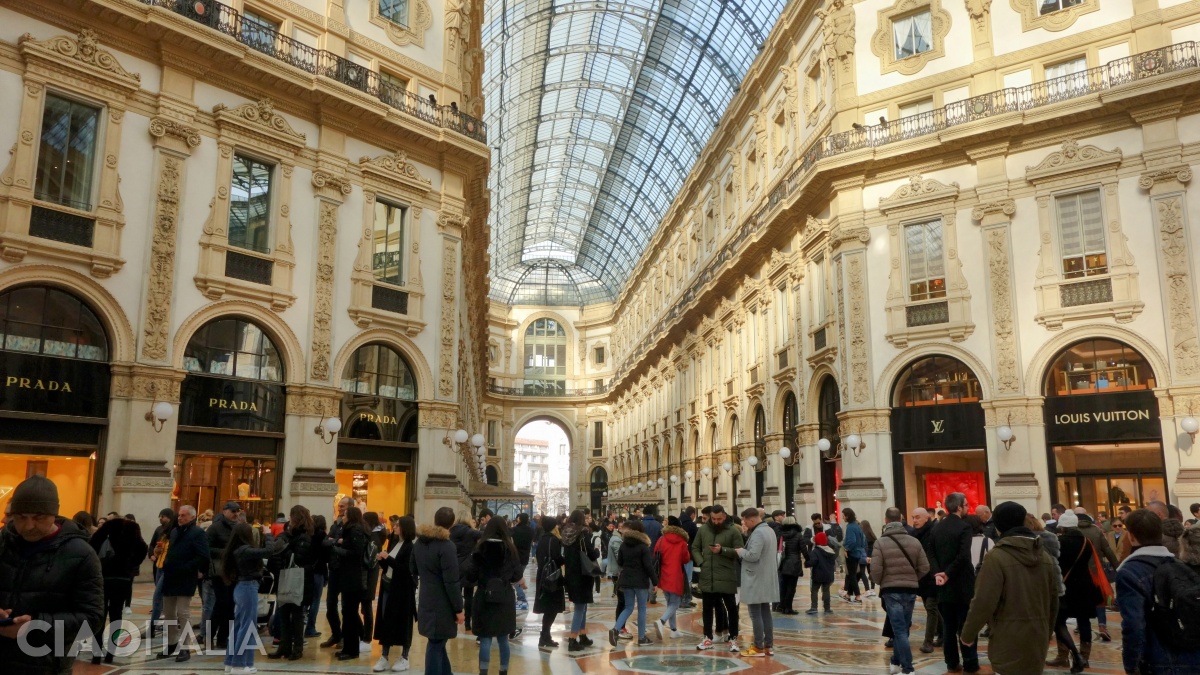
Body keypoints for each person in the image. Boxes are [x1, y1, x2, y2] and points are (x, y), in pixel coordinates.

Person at [0, 475, 104, 674]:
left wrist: (36, 626)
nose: (29, 526)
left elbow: (92, 618)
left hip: (46, 665)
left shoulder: (81, 554)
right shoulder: (2, 544)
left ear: (53, 515)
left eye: (39, 518)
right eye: (22, 517)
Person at [960, 501, 1060, 675]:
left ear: (998, 526)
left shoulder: (997, 557)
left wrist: (968, 634)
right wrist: (1047, 629)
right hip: (1038, 638)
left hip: (1007, 637)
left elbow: (983, 601)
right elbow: (1054, 600)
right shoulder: (1045, 557)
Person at [1116, 509, 1200, 674]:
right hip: (1191, 653)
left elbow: (1134, 624)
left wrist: (1131, 665)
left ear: (1131, 536)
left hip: (1158, 659)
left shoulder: (1130, 571)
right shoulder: (1178, 564)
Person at [869, 507, 930, 675]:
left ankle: (908, 668)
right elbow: (925, 567)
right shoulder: (914, 541)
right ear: (902, 519)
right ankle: (896, 662)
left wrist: (882, 581)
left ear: (886, 520)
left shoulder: (880, 542)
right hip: (910, 590)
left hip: (891, 590)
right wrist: (912, 578)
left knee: (900, 630)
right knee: (902, 628)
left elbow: (875, 570)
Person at [462, 518, 524, 675]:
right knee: (503, 639)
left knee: (485, 638)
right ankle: (503, 671)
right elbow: (517, 574)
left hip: (484, 596)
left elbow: (470, 574)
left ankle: (483, 672)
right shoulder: (510, 548)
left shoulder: (480, 548)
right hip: (504, 596)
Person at [88, 513, 147, 664]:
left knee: (100, 614)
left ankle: (96, 653)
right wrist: (131, 565)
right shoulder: (133, 528)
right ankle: (111, 652)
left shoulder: (107, 527)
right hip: (122, 578)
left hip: (103, 576)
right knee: (116, 614)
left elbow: (92, 545)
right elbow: (143, 548)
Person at [928, 492, 977, 673]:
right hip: (962, 583)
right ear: (958, 507)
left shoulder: (936, 528)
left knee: (948, 626)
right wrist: (947, 573)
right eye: (965, 504)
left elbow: (930, 554)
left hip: (943, 584)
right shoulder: (964, 527)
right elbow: (964, 556)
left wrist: (938, 574)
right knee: (966, 625)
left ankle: (951, 662)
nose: (967, 507)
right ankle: (970, 662)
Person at [411, 507, 463, 675]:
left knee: (438, 641)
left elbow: (413, 567)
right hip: (443, 603)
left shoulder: (420, 542)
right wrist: (458, 608)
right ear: (452, 523)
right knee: (436, 644)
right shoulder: (447, 546)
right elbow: (452, 581)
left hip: (426, 597)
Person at [1053, 511, 1105, 670]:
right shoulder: (1086, 542)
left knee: (1060, 620)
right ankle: (1084, 656)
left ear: (1063, 526)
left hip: (1065, 585)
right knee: (1084, 621)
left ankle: (1062, 656)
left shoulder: (1059, 542)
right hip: (1084, 585)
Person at [160, 504, 210, 661]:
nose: (180, 517)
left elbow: (203, 555)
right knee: (168, 612)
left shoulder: (198, 533)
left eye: (183, 515)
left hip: (186, 577)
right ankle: (171, 642)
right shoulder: (174, 531)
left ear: (192, 517)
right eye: (179, 515)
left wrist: (189, 567)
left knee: (183, 612)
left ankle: (186, 647)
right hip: (170, 576)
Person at [691, 504, 744, 652]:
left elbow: (740, 551)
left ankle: (733, 638)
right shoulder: (703, 529)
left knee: (731, 608)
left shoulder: (733, 530)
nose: (715, 522)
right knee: (707, 608)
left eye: (718, 519)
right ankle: (707, 637)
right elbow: (695, 547)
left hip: (726, 575)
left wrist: (723, 550)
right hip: (708, 575)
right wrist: (702, 562)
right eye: (713, 519)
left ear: (724, 516)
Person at [221, 522, 271, 674]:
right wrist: (268, 534)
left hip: (241, 587)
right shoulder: (245, 550)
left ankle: (231, 663)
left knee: (239, 626)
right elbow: (269, 551)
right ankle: (240, 665)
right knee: (247, 626)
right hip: (248, 588)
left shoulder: (236, 549)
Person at [269, 505, 315, 661]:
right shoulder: (289, 533)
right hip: (286, 576)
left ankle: (297, 648)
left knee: (296, 616)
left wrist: (285, 550)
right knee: (283, 614)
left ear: (296, 517)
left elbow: (300, 558)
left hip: (298, 579)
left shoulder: (305, 536)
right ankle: (284, 646)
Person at [374, 515, 416, 672]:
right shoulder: (394, 543)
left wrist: (388, 559)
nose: (395, 527)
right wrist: (382, 560)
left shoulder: (410, 547)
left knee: (402, 622)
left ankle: (404, 656)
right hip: (388, 586)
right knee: (386, 620)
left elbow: (406, 570)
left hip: (402, 590)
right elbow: (389, 567)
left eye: (398, 525)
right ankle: (384, 656)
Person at [735, 507, 779, 658]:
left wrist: (740, 551)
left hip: (756, 578)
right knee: (766, 612)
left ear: (752, 519)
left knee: (755, 614)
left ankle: (758, 647)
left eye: (745, 521)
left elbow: (753, 555)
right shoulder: (769, 530)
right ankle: (769, 645)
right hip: (766, 577)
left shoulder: (759, 533)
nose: (744, 524)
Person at [608, 519, 657, 647]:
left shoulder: (624, 544)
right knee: (642, 609)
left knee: (628, 607)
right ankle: (641, 638)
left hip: (626, 580)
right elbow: (648, 566)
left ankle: (615, 629)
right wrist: (655, 581)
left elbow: (620, 562)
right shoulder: (643, 546)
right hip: (640, 581)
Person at [331, 506, 370, 661]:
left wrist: (337, 550)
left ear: (351, 516)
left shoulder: (355, 531)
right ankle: (348, 647)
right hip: (350, 576)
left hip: (353, 577)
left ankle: (352, 649)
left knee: (350, 614)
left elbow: (355, 553)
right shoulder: (353, 529)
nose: (343, 516)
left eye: (345, 514)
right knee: (348, 613)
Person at [1075, 508, 1118, 642]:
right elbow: (1107, 550)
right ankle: (1102, 626)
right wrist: (1118, 566)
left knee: (1080, 599)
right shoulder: (1096, 530)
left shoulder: (1073, 531)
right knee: (1099, 599)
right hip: (1096, 571)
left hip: (1078, 572)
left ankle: (1081, 625)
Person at [561, 509, 600, 651]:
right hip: (583, 573)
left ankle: (582, 635)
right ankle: (572, 638)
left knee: (582, 605)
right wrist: (597, 551)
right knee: (579, 607)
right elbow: (590, 553)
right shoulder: (582, 534)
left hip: (571, 573)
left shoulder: (566, 533)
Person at [205, 501, 239, 649]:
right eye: (233, 511)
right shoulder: (215, 528)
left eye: (237, 511)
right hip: (219, 572)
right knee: (221, 604)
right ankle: (209, 637)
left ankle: (223, 638)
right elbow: (207, 548)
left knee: (230, 605)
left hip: (233, 572)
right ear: (225, 511)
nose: (235, 514)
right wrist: (224, 553)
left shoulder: (238, 527)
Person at [320, 497, 353, 650]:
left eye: (343, 506)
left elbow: (348, 545)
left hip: (346, 571)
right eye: (339, 506)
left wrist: (336, 541)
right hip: (334, 568)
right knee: (330, 604)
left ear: (350, 508)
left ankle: (347, 637)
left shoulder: (353, 526)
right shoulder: (336, 524)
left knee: (347, 607)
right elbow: (326, 542)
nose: (339, 508)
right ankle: (336, 634)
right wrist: (336, 541)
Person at [909, 507, 941, 653]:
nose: (914, 521)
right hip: (922, 577)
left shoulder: (934, 532)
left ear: (926, 518)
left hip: (933, 575)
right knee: (933, 608)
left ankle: (928, 642)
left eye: (917, 517)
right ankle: (943, 633)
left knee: (931, 607)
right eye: (913, 518)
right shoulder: (915, 534)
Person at [652, 520, 691, 639]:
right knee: (675, 603)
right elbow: (686, 559)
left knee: (670, 603)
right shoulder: (682, 542)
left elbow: (655, 554)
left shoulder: (661, 539)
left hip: (663, 575)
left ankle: (674, 630)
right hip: (676, 575)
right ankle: (662, 621)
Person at [534, 515, 565, 649]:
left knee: (548, 608)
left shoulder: (542, 539)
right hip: (552, 577)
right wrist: (566, 559)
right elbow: (557, 558)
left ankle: (545, 636)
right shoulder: (553, 540)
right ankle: (544, 636)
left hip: (542, 575)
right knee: (552, 608)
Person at [450, 511, 483, 632]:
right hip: (468, 565)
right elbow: (485, 536)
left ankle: (454, 619)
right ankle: (468, 623)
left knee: (456, 594)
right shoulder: (470, 532)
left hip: (454, 565)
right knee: (469, 596)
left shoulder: (451, 531)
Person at [307, 514, 329, 638]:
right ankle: (310, 627)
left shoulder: (308, 535)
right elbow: (326, 556)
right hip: (319, 570)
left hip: (308, 570)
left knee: (306, 600)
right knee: (316, 600)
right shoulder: (322, 536)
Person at [778, 517, 805, 614]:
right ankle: (788, 608)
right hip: (794, 562)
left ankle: (782, 606)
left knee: (783, 586)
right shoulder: (798, 535)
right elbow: (803, 548)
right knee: (791, 587)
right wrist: (808, 560)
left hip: (783, 562)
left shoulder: (781, 535)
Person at [806, 531, 837, 614]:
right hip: (828, 575)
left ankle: (814, 607)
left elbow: (813, 561)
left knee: (814, 590)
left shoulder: (816, 551)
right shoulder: (831, 551)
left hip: (818, 575)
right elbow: (833, 563)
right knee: (826, 591)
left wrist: (806, 564)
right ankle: (827, 608)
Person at [511, 512, 534, 611]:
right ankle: (521, 595)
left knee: (516, 577)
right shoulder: (531, 530)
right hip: (525, 557)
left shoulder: (515, 530)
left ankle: (521, 597)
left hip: (516, 556)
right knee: (518, 576)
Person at [642, 506, 663, 604]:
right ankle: (653, 596)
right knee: (653, 574)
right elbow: (661, 539)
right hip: (655, 553)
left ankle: (645, 595)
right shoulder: (658, 525)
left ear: (644, 514)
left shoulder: (640, 524)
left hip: (642, 553)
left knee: (644, 574)